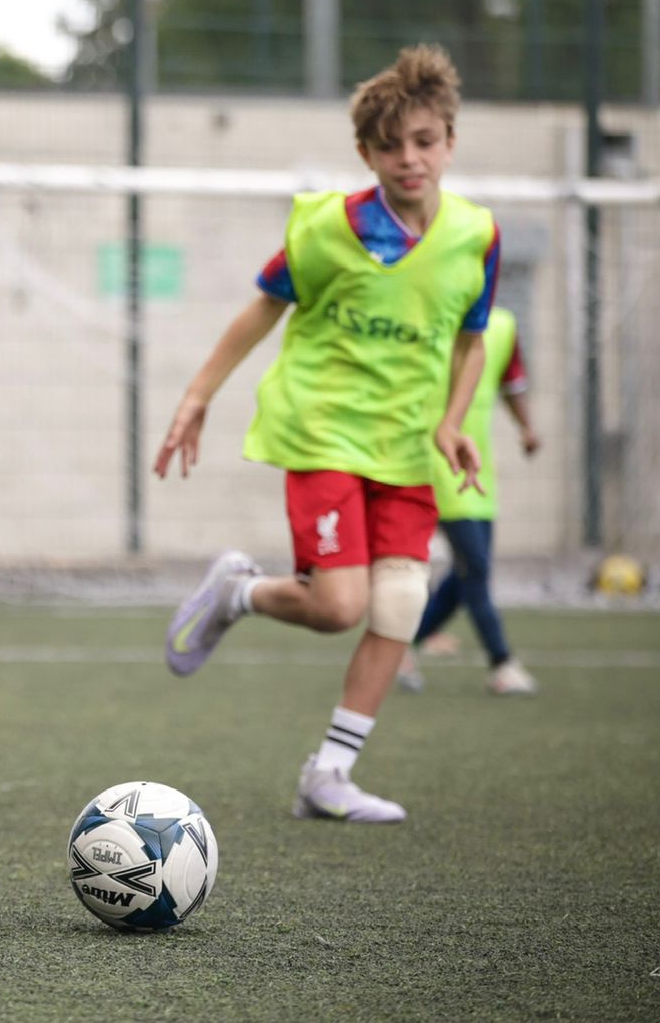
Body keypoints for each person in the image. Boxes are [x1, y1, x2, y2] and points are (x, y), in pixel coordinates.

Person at [154, 44, 500, 825]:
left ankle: (329, 774)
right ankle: (237, 592)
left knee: (401, 604)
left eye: (424, 141)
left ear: (449, 140)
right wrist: (198, 396)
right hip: (322, 436)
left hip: (407, 447)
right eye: (390, 145)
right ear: (365, 152)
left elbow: (471, 338)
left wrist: (451, 421)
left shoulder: (477, 236)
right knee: (341, 607)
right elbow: (261, 308)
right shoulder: (327, 228)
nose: (408, 158)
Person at [398, 306, 541, 695]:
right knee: (475, 568)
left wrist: (526, 428)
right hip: (432, 459)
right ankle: (502, 663)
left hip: (478, 465)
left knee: (468, 577)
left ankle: (398, 646)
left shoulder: (503, 324)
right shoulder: (424, 313)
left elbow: (512, 383)